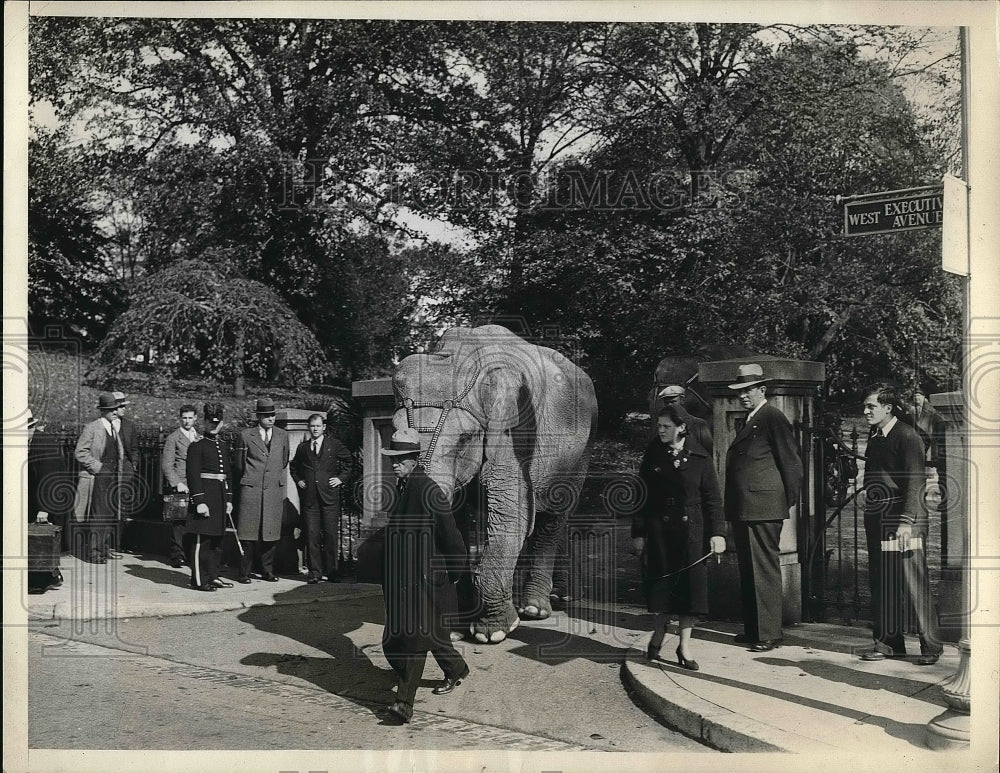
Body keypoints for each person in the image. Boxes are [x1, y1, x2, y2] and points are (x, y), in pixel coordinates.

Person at [380, 428, 469, 724]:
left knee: (415, 639)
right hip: (405, 580)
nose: (395, 463)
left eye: (401, 458)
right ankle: (456, 669)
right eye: (393, 458)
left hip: (426, 581)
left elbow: (452, 537)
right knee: (420, 635)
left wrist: (455, 573)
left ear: (415, 459)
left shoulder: (428, 490)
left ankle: (404, 703)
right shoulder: (403, 485)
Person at [633, 404, 727, 670]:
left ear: (682, 428)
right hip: (660, 533)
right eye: (659, 426)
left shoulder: (700, 457)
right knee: (663, 589)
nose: (660, 430)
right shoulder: (653, 454)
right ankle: (660, 633)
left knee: (691, 592)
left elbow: (713, 500)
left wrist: (718, 533)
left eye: (666, 426)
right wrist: (639, 533)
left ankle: (684, 646)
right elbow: (642, 497)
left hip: (692, 534)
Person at [859, 384, 943, 665]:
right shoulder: (876, 436)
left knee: (912, 583)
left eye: (871, 406)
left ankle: (931, 647)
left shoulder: (907, 436)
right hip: (879, 520)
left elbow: (915, 482)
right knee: (883, 582)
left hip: (904, 521)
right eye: (865, 406)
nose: (866, 411)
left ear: (888, 408)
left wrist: (906, 522)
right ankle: (888, 645)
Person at [723, 363, 802, 652]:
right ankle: (755, 629)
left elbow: (791, 464)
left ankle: (769, 633)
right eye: (739, 391)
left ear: (761, 390)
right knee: (749, 568)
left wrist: (785, 500)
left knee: (763, 569)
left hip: (764, 506)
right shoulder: (752, 417)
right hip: (747, 506)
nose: (743, 395)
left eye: (748, 390)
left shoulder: (772, 417)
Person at [290, 413, 355, 583]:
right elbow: (294, 467)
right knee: (312, 536)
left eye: (318, 426)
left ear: (324, 427)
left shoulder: (333, 445)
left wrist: (340, 479)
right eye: (312, 426)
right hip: (310, 499)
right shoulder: (303, 447)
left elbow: (349, 461)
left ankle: (332, 572)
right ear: (308, 428)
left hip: (329, 498)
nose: (315, 429)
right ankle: (314, 572)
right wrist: (299, 481)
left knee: (331, 535)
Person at [235, 397, 289, 583]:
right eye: (266, 415)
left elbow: (283, 460)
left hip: (273, 491)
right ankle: (244, 572)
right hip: (251, 490)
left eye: (272, 415)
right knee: (248, 534)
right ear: (258, 416)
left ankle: (268, 571)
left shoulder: (282, 435)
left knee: (270, 534)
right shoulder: (246, 435)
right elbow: (239, 465)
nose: (270, 419)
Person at [184, 402, 235, 592]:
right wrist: (199, 501)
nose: (214, 425)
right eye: (211, 422)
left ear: (221, 423)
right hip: (205, 498)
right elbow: (193, 475)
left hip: (220, 499)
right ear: (204, 422)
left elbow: (227, 474)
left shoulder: (223, 445)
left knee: (217, 541)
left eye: (218, 422)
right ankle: (199, 579)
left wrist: (229, 499)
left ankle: (213, 576)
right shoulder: (197, 446)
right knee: (202, 542)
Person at [73, 393, 127, 564]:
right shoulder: (92, 428)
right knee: (98, 514)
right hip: (97, 477)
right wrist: (98, 467)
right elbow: (80, 452)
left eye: (115, 409)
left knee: (108, 513)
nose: (114, 412)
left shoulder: (113, 428)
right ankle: (93, 551)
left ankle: (102, 547)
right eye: (110, 409)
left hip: (111, 476)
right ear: (103, 411)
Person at [27, 410, 65, 593]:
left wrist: (44, 509)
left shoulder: (44, 443)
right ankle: (48, 575)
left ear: (32, 427)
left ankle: (45, 578)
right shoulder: (29, 441)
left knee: (41, 539)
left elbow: (49, 478)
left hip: (49, 499)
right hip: (36, 497)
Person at [161, 404, 201, 568]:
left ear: (195, 418)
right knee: (178, 521)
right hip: (181, 483)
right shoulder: (173, 438)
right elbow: (167, 464)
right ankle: (177, 555)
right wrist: (176, 483)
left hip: (196, 484)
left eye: (190, 418)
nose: (187, 421)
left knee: (193, 519)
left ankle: (191, 553)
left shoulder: (198, 436)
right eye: (184, 418)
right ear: (180, 418)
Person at [109, 391, 140, 555]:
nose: (123, 410)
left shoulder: (129, 426)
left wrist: (133, 465)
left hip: (125, 471)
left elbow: (134, 449)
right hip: (109, 472)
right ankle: (107, 543)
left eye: (124, 407)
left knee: (123, 507)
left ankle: (118, 543)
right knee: (109, 506)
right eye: (120, 406)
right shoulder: (104, 424)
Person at [656, 384, 713, 454]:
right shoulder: (661, 425)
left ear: (682, 400)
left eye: (673, 402)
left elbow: (708, 451)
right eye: (666, 403)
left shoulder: (699, 424)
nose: (669, 405)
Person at [911, 387, 946, 468]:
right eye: (915, 396)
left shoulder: (931, 412)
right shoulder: (911, 412)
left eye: (918, 396)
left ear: (924, 397)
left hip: (929, 441)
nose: (916, 398)